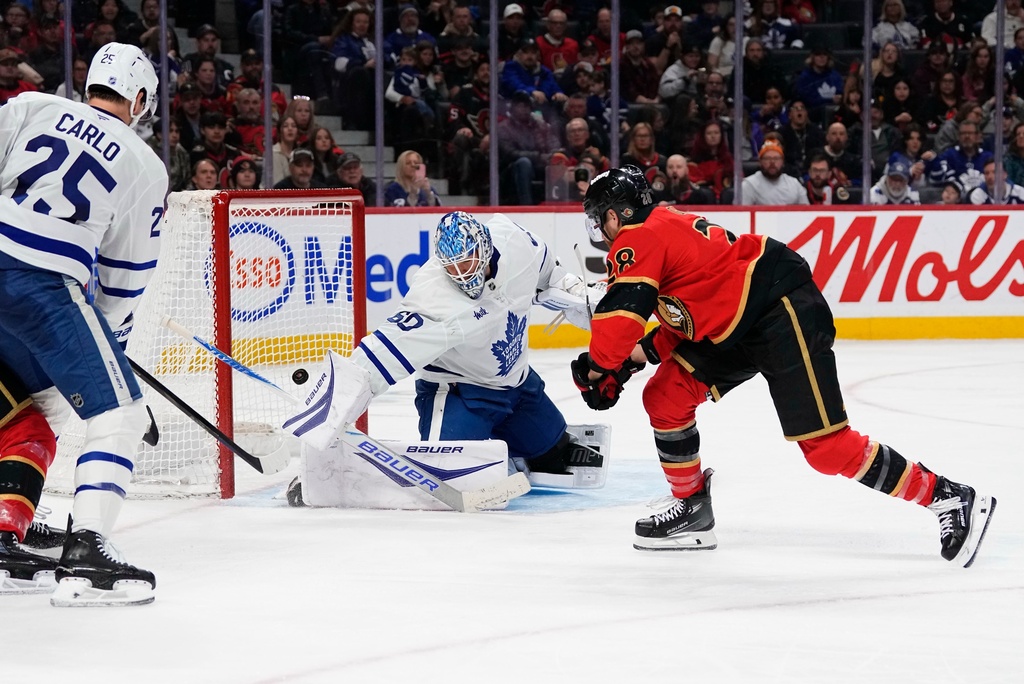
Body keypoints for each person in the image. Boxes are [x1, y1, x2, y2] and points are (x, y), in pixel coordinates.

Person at [574, 165, 996, 566]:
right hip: (740, 322)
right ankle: (691, 507)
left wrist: (597, 368)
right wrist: (627, 363)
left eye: (598, 220)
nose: (601, 232)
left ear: (614, 214)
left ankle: (947, 496)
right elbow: (685, 318)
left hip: (779, 309)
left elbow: (619, 324)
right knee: (666, 395)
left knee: (827, 449)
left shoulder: (638, 238)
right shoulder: (663, 226)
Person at [0, 43, 167, 602]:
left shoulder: (33, 106)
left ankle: (6, 525)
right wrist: (108, 345)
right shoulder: (143, 163)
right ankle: (88, 552)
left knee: (35, 407)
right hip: (42, 286)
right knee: (120, 412)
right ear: (138, 100)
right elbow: (125, 277)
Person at [284, 210, 604, 486]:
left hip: (518, 387)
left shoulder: (516, 241)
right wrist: (320, 424)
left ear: (486, 246)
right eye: (453, 267)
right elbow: (374, 361)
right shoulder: (433, 298)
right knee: (451, 476)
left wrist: (578, 295)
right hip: (459, 393)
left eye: (468, 261)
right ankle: (487, 447)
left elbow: (550, 275)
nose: (462, 274)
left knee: (557, 458)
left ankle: (504, 448)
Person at [740, 140, 809, 205]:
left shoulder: (794, 184)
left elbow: (806, 210)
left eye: (776, 158)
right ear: (760, 162)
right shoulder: (749, 185)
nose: (772, 162)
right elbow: (742, 211)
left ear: (783, 162)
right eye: (767, 158)